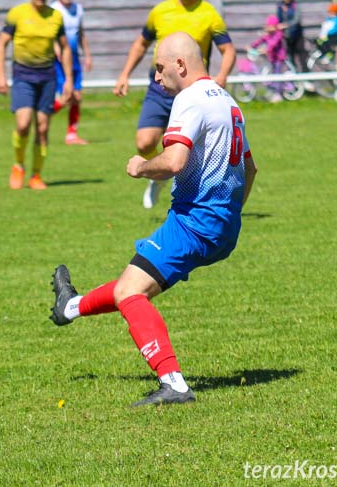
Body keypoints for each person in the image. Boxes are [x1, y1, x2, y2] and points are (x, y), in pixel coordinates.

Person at [51, 32, 257, 407]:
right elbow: (251, 169)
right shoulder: (227, 100)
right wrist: (227, 216)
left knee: (131, 292)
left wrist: (141, 167)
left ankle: (173, 383)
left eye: (160, 69)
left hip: (194, 221)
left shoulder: (189, 99)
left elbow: (174, 162)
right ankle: (70, 306)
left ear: (181, 64)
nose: (158, 79)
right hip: (225, 226)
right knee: (136, 282)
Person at [113, 0, 235, 209]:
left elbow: (229, 50)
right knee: (144, 142)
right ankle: (158, 175)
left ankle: (194, 190)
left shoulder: (209, 14)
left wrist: (221, 76)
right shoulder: (160, 11)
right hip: (159, 87)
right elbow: (140, 44)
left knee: (192, 148)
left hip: (192, 92)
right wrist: (124, 74)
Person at [0, 0, 73, 190]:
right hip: (23, 75)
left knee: (43, 128)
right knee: (22, 125)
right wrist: (1, 76)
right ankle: (18, 165)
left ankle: (36, 175)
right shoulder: (17, 14)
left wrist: (68, 80)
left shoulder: (56, 16)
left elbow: (65, 48)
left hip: (47, 76)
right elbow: (2, 44)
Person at [50, 0, 93, 145]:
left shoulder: (78, 9)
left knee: (77, 97)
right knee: (67, 96)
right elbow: (50, 33)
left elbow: (81, 33)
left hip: (74, 58)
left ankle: (71, 135)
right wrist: (56, 48)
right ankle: (41, 116)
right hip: (59, 60)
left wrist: (87, 55)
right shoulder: (53, 10)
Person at [249, 15, 288, 102]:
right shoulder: (268, 34)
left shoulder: (278, 34)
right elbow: (260, 40)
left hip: (279, 58)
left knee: (277, 75)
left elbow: (273, 44)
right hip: (272, 58)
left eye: (271, 26)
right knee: (272, 74)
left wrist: (266, 49)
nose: (269, 28)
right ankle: (272, 91)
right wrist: (252, 46)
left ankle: (278, 94)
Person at [275, 0, 308, 74]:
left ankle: (307, 79)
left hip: (297, 35)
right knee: (290, 58)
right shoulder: (279, 6)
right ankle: (295, 79)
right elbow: (278, 19)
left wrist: (286, 25)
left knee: (302, 57)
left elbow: (296, 20)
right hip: (286, 36)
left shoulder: (295, 5)